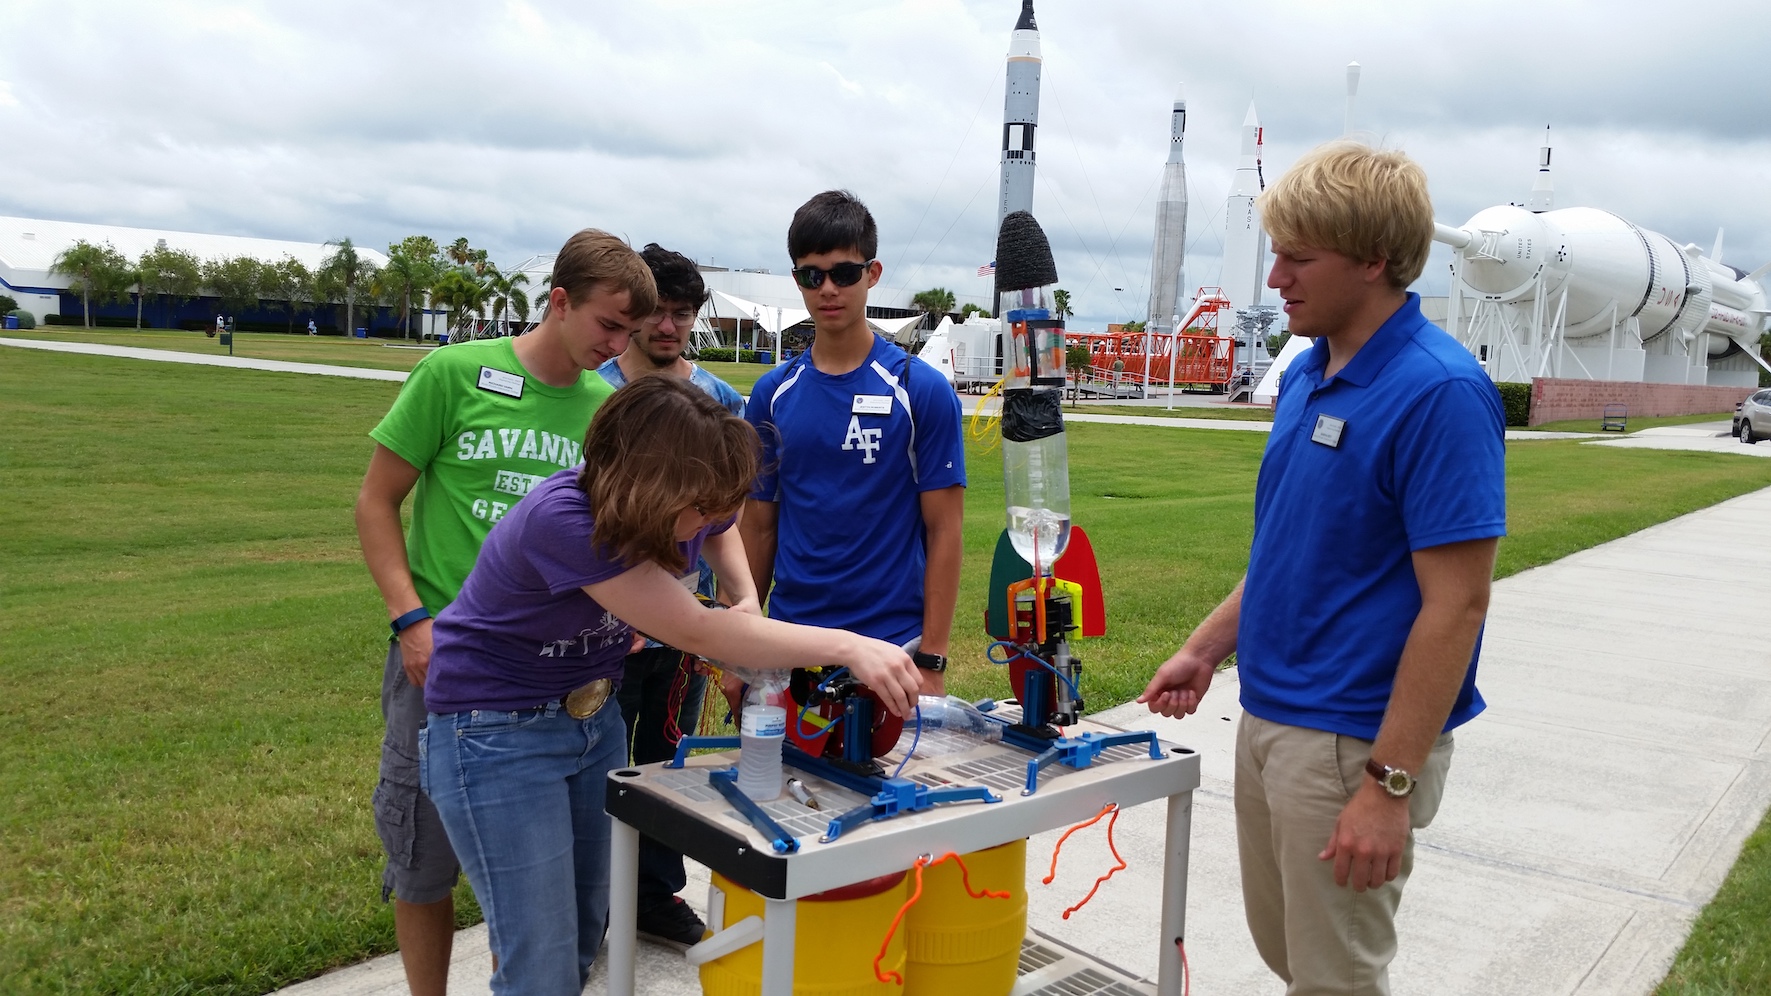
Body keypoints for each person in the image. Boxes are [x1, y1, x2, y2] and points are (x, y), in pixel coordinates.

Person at [1138, 141, 1505, 996]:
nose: (1275, 279)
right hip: (1270, 717)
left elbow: (1455, 607)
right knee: (1292, 956)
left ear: (1373, 259)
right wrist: (1204, 649)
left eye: (1298, 257)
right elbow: (1289, 550)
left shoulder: (1437, 391)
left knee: (1335, 978)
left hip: (1353, 743)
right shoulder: (1309, 373)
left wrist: (1388, 785)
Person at [420, 376, 921, 996]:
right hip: (494, 734)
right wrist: (849, 645)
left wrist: (745, 599)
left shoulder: (689, 498)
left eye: (718, 504)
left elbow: (721, 531)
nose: (708, 521)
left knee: (581, 934)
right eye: (698, 507)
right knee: (539, 963)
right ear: (641, 485)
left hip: (590, 719)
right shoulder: (563, 520)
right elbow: (697, 631)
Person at [354, 228, 653, 996]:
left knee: (535, 887)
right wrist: (409, 620)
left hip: (555, 674)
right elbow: (377, 501)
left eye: (630, 332)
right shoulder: (454, 374)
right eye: (608, 326)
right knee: (422, 860)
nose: (617, 345)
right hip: (441, 653)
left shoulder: (607, 407)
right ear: (559, 301)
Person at [740, 189, 965, 699]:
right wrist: (743, 646)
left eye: (844, 273)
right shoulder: (773, 393)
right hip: (792, 644)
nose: (828, 289)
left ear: (873, 273)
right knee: (780, 780)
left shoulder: (920, 390)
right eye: (810, 275)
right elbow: (757, 526)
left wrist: (932, 657)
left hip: (891, 648)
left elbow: (945, 530)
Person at [595, 243, 746, 950]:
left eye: (681, 315)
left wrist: (742, 599)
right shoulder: (595, 389)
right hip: (602, 625)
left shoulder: (719, 400)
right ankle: (591, 900)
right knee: (596, 761)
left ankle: (653, 895)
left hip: (685, 629)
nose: (667, 328)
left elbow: (727, 521)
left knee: (667, 760)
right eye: (656, 313)